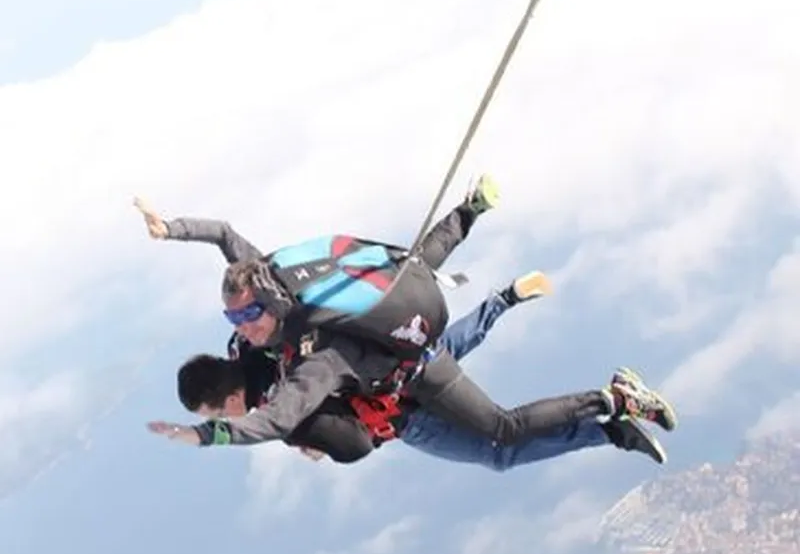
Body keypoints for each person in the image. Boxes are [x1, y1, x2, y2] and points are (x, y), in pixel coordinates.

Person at [137, 176, 677, 451]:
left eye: (247, 317)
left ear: (266, 304)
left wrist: (206, 436)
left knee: (503, 431)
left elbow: (277, 419)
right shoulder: (274, 279)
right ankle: (470, 211)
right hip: (401, 316)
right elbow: (226, 236)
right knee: (417, 266)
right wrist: (172, 230)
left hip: (414, 370)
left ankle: (612, 398)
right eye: (233, 322)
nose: (244, 330)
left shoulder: (319, 359)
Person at [175, 275, 668, 468]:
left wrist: (314, 443)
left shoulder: (278, 406)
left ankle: (612, 416)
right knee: (439, 348)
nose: (229, 419)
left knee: (501, 445)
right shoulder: (251, 342)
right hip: (392, 357)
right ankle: (503, 299)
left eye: (219, 414)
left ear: (228, 400)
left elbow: (346, 439)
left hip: (403, 413)